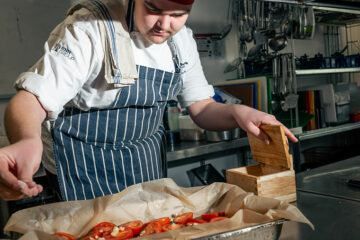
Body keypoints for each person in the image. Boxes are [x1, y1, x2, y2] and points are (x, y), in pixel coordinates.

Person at [0, 0, 297, 202]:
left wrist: (237, 111)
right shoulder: (90, 29)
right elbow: (29, 101)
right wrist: (27, 139)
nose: (164, 25)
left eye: (178, 14)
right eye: (153, 8)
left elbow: (202, 108)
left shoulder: (181, 42)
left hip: (147, 176)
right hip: (81, 179)